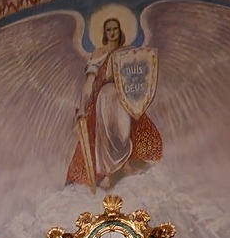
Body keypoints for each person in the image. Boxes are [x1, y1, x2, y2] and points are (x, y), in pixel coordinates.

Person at [66, 17, 162, 191]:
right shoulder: (98, 53)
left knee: (123, 133)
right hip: (104, 97)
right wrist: (82, 108)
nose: (112, 33)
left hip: (123, 98)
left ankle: (125, 164)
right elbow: (89, 83)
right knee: (106, 135)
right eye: (108, 30)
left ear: (120, 31)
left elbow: (138, 77)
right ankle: (109, 173)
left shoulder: (128, 52)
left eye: (115, 29)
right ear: (104, 33)